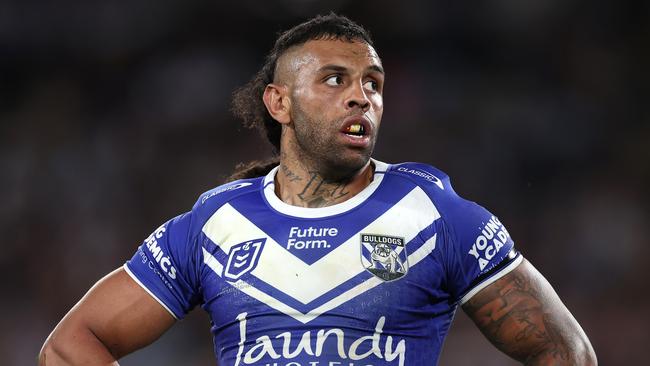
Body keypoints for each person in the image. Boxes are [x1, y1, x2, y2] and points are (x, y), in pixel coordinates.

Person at [39, 13, 597, 366]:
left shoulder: (438, 218)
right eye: (335, 79)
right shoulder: (214, 226)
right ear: (279, 102)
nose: (362, 97)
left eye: (373, 84)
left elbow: (564, 351)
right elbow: (71, 345)